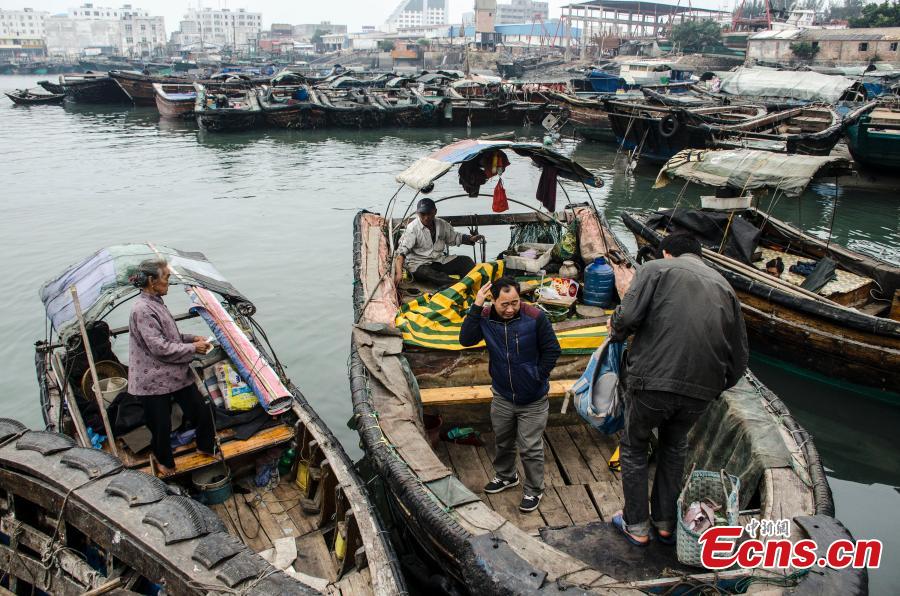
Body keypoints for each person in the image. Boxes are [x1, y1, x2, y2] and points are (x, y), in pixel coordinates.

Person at [608, 232, 748, 546]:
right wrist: (714, 388)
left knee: (634, 447)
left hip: (652, 382)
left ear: (666, 253)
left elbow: (627, 317)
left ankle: (636, 526)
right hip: (700, 392)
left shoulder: (655, 269)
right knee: (674, 446)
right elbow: (739, 360)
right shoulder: (726, 287)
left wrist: (614, 328)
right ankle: (666, 523)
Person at [459, 277, 561, 512]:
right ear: (492, 300)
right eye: (504, 304)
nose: (510, 309)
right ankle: (507, 476)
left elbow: (552, 350)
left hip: (533, 398)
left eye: (514, 302)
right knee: (503, 440)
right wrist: (476, 306)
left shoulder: (535, 317)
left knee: (530, 447)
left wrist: (537, 375)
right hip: (503, 395)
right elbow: (465, 340)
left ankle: (535, 489)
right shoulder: (484, 317)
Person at [128, 259, 216, 476]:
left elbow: (170, 336)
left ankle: (205, 447)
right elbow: (159, 347)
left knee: (202, 412)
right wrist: (193, 348)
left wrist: (191, 338)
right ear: (151, 280)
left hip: (174, 374)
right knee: (161, 426)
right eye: (166, 277)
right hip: (153, 379)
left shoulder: (156, 302)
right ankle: (165, 463)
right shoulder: (142, 309)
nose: (169, 281)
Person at [393, 198, 485, 288]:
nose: (426, 217)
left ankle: (476, 282)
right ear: (418, 213)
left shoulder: (442, 224)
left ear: (435, 212)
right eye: (422, 214)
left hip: (438, 260)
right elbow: (400, 253)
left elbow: (454, 237)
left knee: (466, 261)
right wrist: (399, 274)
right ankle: (460, 285)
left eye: (429, 213)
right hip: (418, 265)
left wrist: (470, 239)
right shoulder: (412, 229)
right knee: (427, 273)